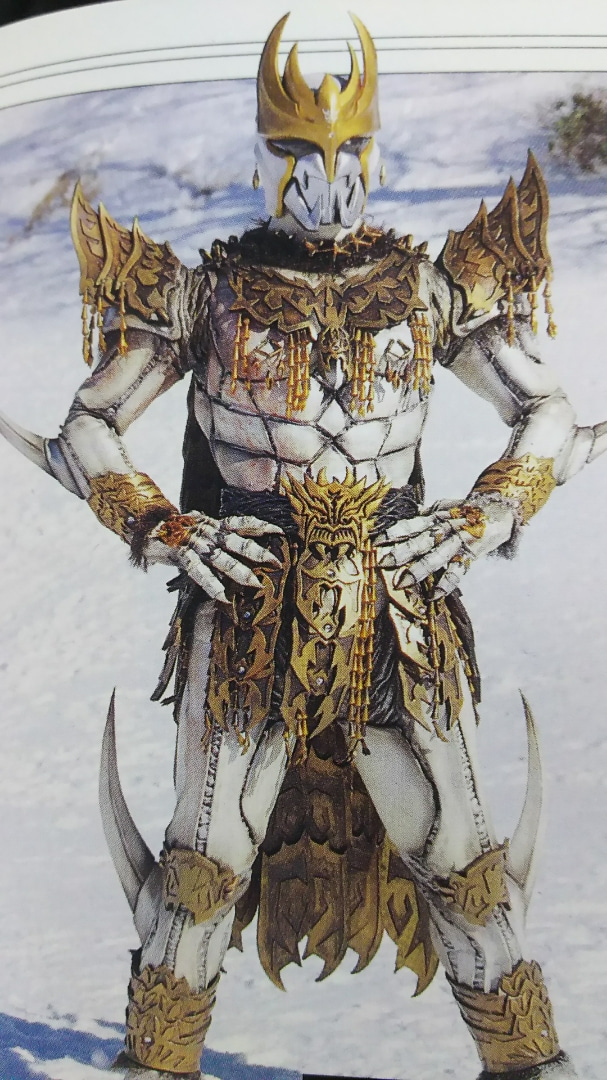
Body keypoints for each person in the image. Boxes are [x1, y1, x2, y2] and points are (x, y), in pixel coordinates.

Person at [1, 13, 605, 1080]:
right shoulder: (205, 293)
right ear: (263, 156)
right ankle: (157, 1061)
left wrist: (486, 512)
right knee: (201, 867)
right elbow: (89, 426)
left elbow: (546, 412)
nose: (328, 178)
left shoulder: (426, 290)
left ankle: (526, 1062)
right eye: (298, 152)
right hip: (246, 606)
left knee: (464, 865)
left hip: (399, 607)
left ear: (374, 151)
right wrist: (162, 524)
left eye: (348, 150)